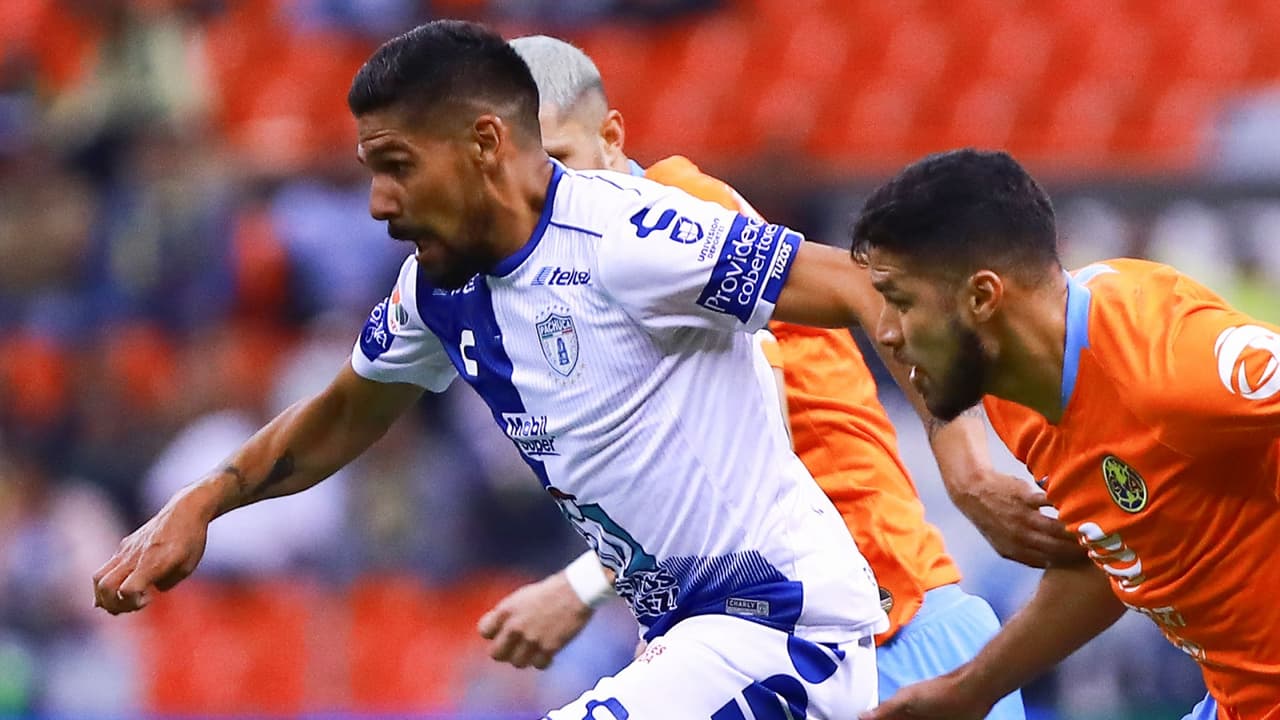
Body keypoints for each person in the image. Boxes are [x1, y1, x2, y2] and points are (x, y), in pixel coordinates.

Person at [96, 19, 912, 718]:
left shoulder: (629, 237)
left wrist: (962, 431)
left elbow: (859, 285)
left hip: (779, 624)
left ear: (485, 143)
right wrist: (205, 501)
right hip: (685, 637)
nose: (379, 201)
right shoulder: (436, 288)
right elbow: (344, 413)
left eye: (398, 165)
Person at [474, 35, 1062, 716]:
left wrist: (969, 476)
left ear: (611, 139)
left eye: (559, 165)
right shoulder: (558, 279)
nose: (538, 199)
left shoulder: (675, 214)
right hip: (784, 638)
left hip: (877, 631)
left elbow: (780, 408)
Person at [850, 149, 1280, 720]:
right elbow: (1116, 554)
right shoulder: (1014, 391)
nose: (885, 333)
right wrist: (970, 689)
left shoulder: (1170, 370)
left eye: (901, 303)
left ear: (982, 297)